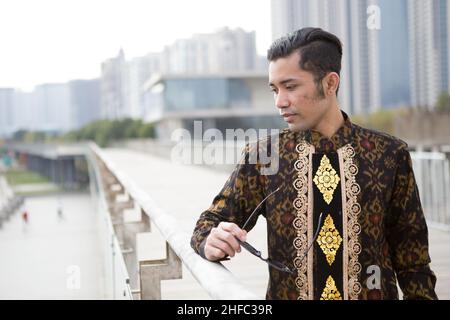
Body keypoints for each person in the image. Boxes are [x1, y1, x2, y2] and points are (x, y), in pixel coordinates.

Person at [190, 27, 437, 300]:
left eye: (291, 87)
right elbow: (209, 223)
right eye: (274, 89)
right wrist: (211, 241)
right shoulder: (263, 156)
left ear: (330, 84)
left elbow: (413, 260)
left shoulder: (389, 154)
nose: (279, 101)